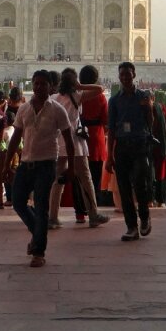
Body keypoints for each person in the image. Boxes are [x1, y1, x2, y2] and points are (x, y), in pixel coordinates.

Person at [2, 70, 75, 267]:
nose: (39, 87)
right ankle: (38, 233)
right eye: (36, 83)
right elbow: (16, 137)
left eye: (43, 84)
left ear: (51, 87)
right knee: (17, 202)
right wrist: (7, 163)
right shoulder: (24, 109)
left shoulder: (57, 109)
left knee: (42, 207)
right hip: (26, 163)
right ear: (32, 85)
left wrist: (71, 167)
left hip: (46, 164)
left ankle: (38, 251)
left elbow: (69, 140)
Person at [48, 68, 110, 228]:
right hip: (75, 143)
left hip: (60, 142)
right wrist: (81, 86)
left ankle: (52, 217)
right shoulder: (78, 96)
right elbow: (100, 89)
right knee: (85, 179)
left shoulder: (54, 98)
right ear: (74, 82)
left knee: (57, 181)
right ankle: (93, 214)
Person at [106, 62, 153, 241]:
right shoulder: (115, 100)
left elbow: (151, 121)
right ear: (119, 77)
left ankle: (145, 217)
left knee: (140, 184)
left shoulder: (143, 96)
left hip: (140, 145)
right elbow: (111, 129)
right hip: (123, 147)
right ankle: (131, 226)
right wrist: (109, 156)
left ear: (134, 75)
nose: (125, 77)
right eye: (122, 75)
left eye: (128, 74)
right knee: (124, 189)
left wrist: (148, 107)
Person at [79, 64, 108, 199]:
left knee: (81, 174)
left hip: (80, 136)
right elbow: (106, 119)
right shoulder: (100, 96)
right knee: (95, 175)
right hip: (96, 137)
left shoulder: (77, 95)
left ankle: (81, 206)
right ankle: (94, 202)